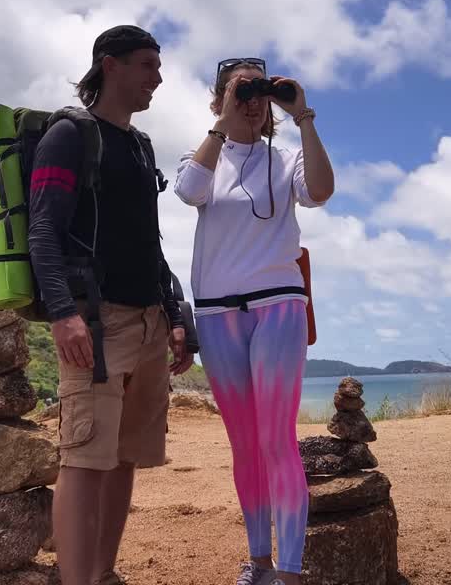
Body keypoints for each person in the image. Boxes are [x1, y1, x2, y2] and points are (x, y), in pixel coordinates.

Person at [28, 24, 194, 585]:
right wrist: (61, 312)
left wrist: (175, 311)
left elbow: (148, 239)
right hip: (96, 323)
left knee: (125, 457)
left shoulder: (139, 144)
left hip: (147, 320)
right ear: (110, 65)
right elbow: (43, 231)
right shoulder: (70, 135)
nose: (159, 77)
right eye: (148, 64)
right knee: (83, 460)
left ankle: (102, 573)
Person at [173, 57, 335, 585]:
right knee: (244, 444)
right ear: (217, 98)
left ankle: (288, 573)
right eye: (239, 90)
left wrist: (303, 115)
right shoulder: (202, 157)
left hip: (279, 304)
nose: (250, 100)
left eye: (258, 90)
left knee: (277, 441)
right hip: (218, 313)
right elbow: (188, 191)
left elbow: (320, 192)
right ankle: (259, 563)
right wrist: (221, 122)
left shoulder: (285, 158)